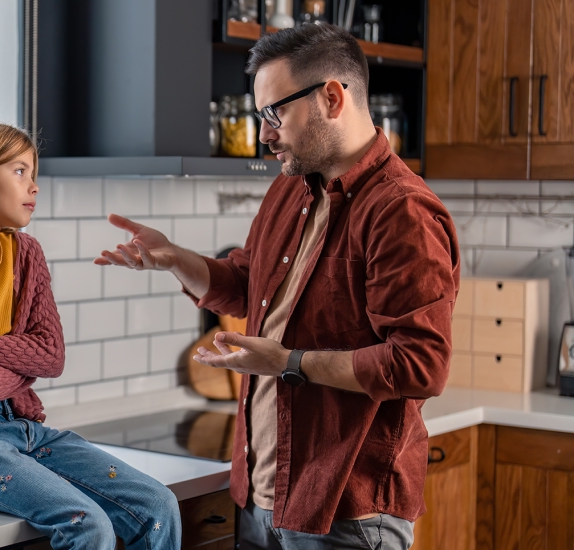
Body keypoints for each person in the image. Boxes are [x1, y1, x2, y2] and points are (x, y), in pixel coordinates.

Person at [96, 24, 459, 549]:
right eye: (260, 116)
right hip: (261, 497)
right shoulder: (290, 189)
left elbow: (420, 364)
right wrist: (175, 259)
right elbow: (248, 285)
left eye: (276, 113)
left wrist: (287, 362)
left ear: (332, 98)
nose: (265, 133)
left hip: (344, 511)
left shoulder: (400, 210)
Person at [0, 121, 181, 550]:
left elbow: (52, 357)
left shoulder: (27, 253)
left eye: (33, 173)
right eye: (19, 171)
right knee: (86, 523)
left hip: (21, 428)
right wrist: (12, 366)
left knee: (159, 503)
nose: (34, 186)